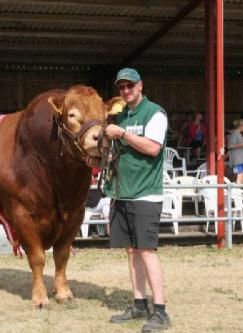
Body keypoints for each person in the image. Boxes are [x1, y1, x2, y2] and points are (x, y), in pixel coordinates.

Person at [103, 68, 170, 333]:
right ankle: (139, 304)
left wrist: (123, 135)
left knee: (147, 251)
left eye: (130, 85)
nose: (126, 90)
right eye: (121, 87)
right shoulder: (120, 115)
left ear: (140, 86)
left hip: (146, 194)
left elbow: (153, 148)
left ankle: (161, 310)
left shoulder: (155, 112)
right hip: (122, 192)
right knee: (131, 251)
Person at [228, 119, 243, 184]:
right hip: (237, 160)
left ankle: (237, 189)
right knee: (239, 176)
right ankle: (237, 190)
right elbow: (229, 146)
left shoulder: (239, 134)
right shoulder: (235, 133)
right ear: (241, 126)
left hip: (242, 159)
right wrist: (242, 144)